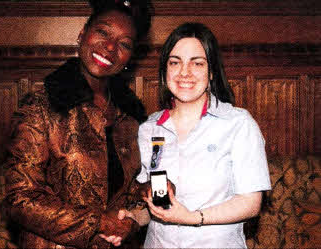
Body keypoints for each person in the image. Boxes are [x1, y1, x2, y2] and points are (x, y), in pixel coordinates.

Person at [1, 0, 152, 249]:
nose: (109, 47)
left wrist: (141, 200)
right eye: (102, 32)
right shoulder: (40, 107)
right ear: (82, 34)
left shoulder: (129, 118)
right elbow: (19, 199)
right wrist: (97, 223)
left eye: (124, 44)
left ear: (129, 58)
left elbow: (123, 192)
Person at [106, 22, 271, 248]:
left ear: (211, 71)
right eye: (175, 62)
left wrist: (192, 218)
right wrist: (133, 220)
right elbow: (156, 206)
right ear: (165, 70)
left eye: (197, 63)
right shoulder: (149, 129)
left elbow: (251, 203)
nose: (185, 73)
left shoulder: (239, 124)